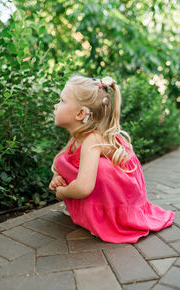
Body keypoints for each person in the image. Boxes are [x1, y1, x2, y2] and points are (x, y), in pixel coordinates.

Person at [49, 74, 175, 243]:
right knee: (64, 160)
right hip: (107, 189)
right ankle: (86, 209)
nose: (56, 105)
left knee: (101, 168)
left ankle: (106, 217)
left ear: (80, 113)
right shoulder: (79, 138)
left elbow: (85, 187)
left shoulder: (92, 140)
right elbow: (68, 166)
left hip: (124, 195)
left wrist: (63, 192)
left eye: (62, 101)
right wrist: (58, 178)